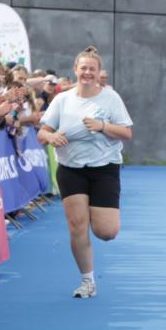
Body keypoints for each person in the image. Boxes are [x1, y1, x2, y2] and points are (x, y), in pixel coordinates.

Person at [38, 47, 133, 299]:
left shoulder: (111, 99)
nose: (87, 73)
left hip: (104, 169)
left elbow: (126, 133)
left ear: (98, 72)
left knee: (106, 232)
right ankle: (87, 281)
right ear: (75, 70)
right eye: (83, 68)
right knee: (77, 227)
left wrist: (102, 126)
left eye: (92, 69)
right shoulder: (63, 100)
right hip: (71, 170)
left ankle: (98, 212)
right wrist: (52, 136)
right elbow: (42, 133)